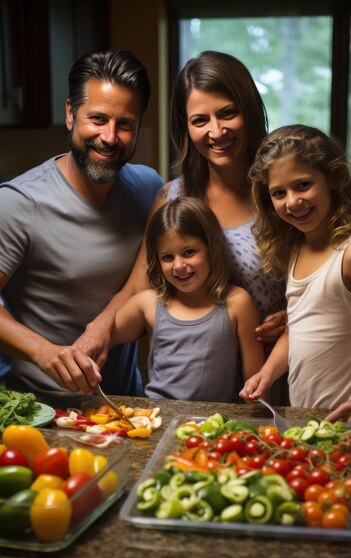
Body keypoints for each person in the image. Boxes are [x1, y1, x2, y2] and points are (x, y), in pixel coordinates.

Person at [0, 49, 163, 395]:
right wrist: (42, 352)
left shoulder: (150, 189)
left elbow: (147, 280)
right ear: (71, 114)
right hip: (39, 410)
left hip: (122, 406)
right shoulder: (17, 203)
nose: (109, 137)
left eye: (125, 125)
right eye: (98, 119)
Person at [152, 51, 287, 347]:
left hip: (278, 371)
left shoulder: (284, 194)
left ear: (249, 110)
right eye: (200, 120)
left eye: (227, 113)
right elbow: (141, 288)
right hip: (198, 376)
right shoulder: (171, 197)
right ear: (185, 126)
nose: (216, 131)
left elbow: (325, 278)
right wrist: (98, 331)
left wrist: (295, 314)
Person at [82, 196, 265, 402]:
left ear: (211, 249)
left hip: (214, 425)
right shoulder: (148, 303)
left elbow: (256, 386)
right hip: (158, 419)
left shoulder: (238, 303)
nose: (178, 265)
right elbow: (99, 340)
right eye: (167, 257)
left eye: (189, 252)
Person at [240, 124, 351, 410]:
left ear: (333, 178)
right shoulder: (297, 250)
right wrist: (267, 373)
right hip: (306, 418)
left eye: (303, 185)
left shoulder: (346, 254)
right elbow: (296, 329)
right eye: (279, 193)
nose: (293, 201)